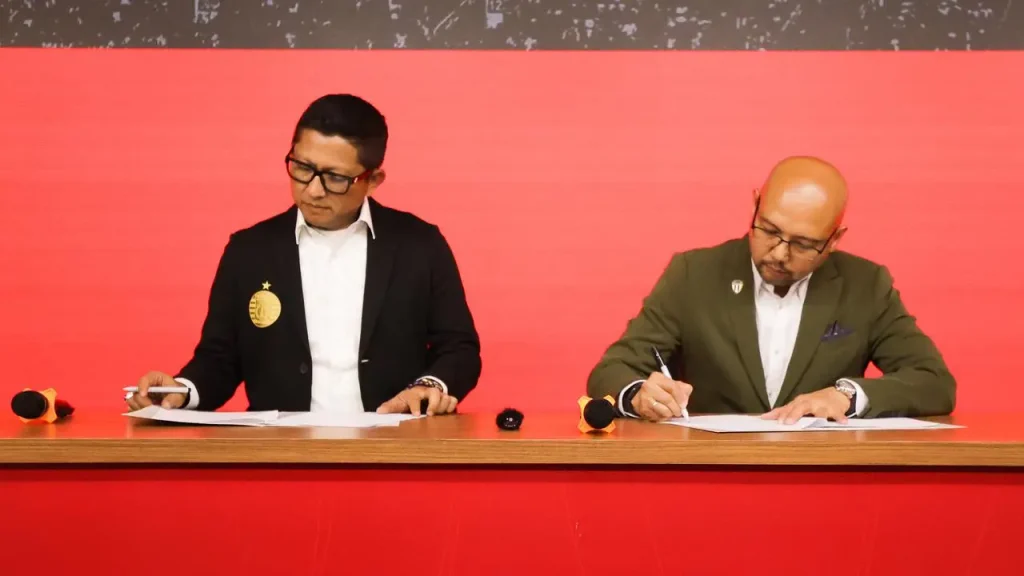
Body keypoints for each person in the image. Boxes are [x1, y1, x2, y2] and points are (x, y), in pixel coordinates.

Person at [127, 94, 481, 415]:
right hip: (280, 453)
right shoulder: (249, 251)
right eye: (303, 168)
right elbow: (219, 359)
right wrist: (180, 391)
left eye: (335, 178)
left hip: (393, 448)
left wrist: (429, 386)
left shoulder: (419, 245)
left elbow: (459, 349)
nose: (313, 190)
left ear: (373, 180)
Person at [587, 156, 955, 423]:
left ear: (834, 240)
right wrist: (638, 394)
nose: (779, 253)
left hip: (823, 477)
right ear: (755, 204)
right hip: (709, 471)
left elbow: (935, 382)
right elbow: (613, 369)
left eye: (803, 244)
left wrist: (846, 395)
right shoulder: (693, 274)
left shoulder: (866, 285)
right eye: (769, 230)